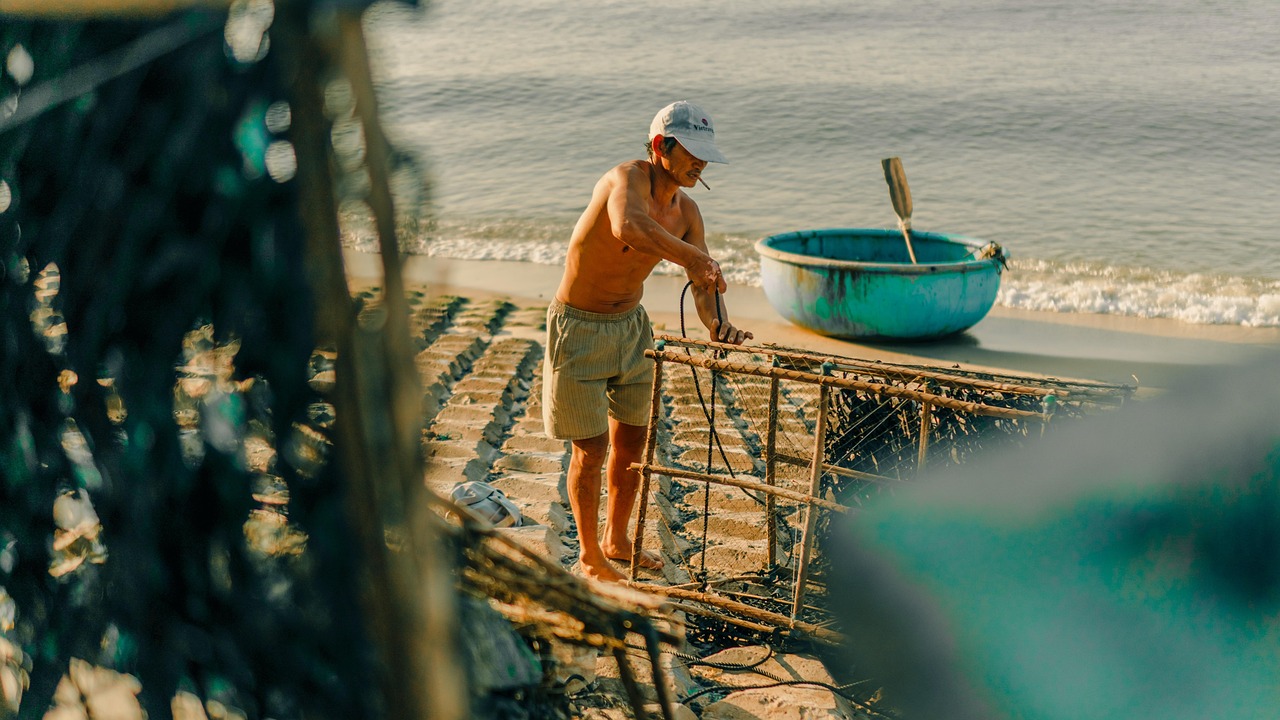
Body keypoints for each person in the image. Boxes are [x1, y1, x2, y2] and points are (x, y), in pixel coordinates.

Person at [542, 100, 753, 583]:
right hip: (579, 325)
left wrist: (719, 325)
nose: (699, 164)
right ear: (661, 146)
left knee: (633, 444)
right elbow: (628, 228)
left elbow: (704, 283)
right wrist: (693, 259)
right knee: (590, 449)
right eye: (691, 153)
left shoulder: (688, 212)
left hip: (632, 328)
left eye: (705, 155)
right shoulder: (626, 179)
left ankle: (617, 539)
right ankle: (590, 556)